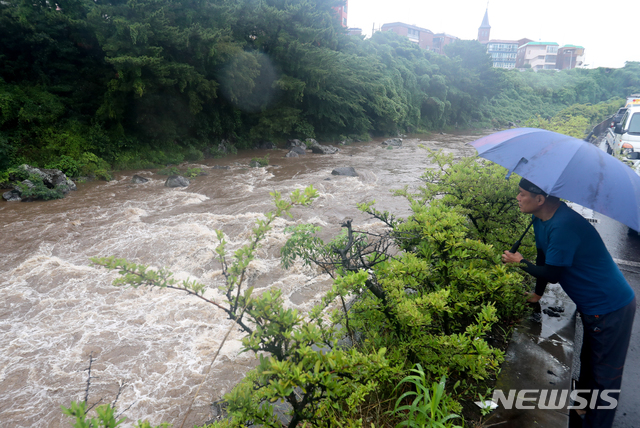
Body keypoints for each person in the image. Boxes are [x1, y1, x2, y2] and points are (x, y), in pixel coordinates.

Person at [501, 178, 636, 428]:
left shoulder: (564, 225)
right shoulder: (541, 218)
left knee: (604, 373)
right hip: (594, 305)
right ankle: (583, 410)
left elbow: (553, 274)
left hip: (610, 306)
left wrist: (520, 262)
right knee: (589, 360)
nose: (517, 198)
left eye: (521, 194)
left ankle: (598, 423)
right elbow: (544, 255)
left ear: (539, 199)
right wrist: (537, 295)